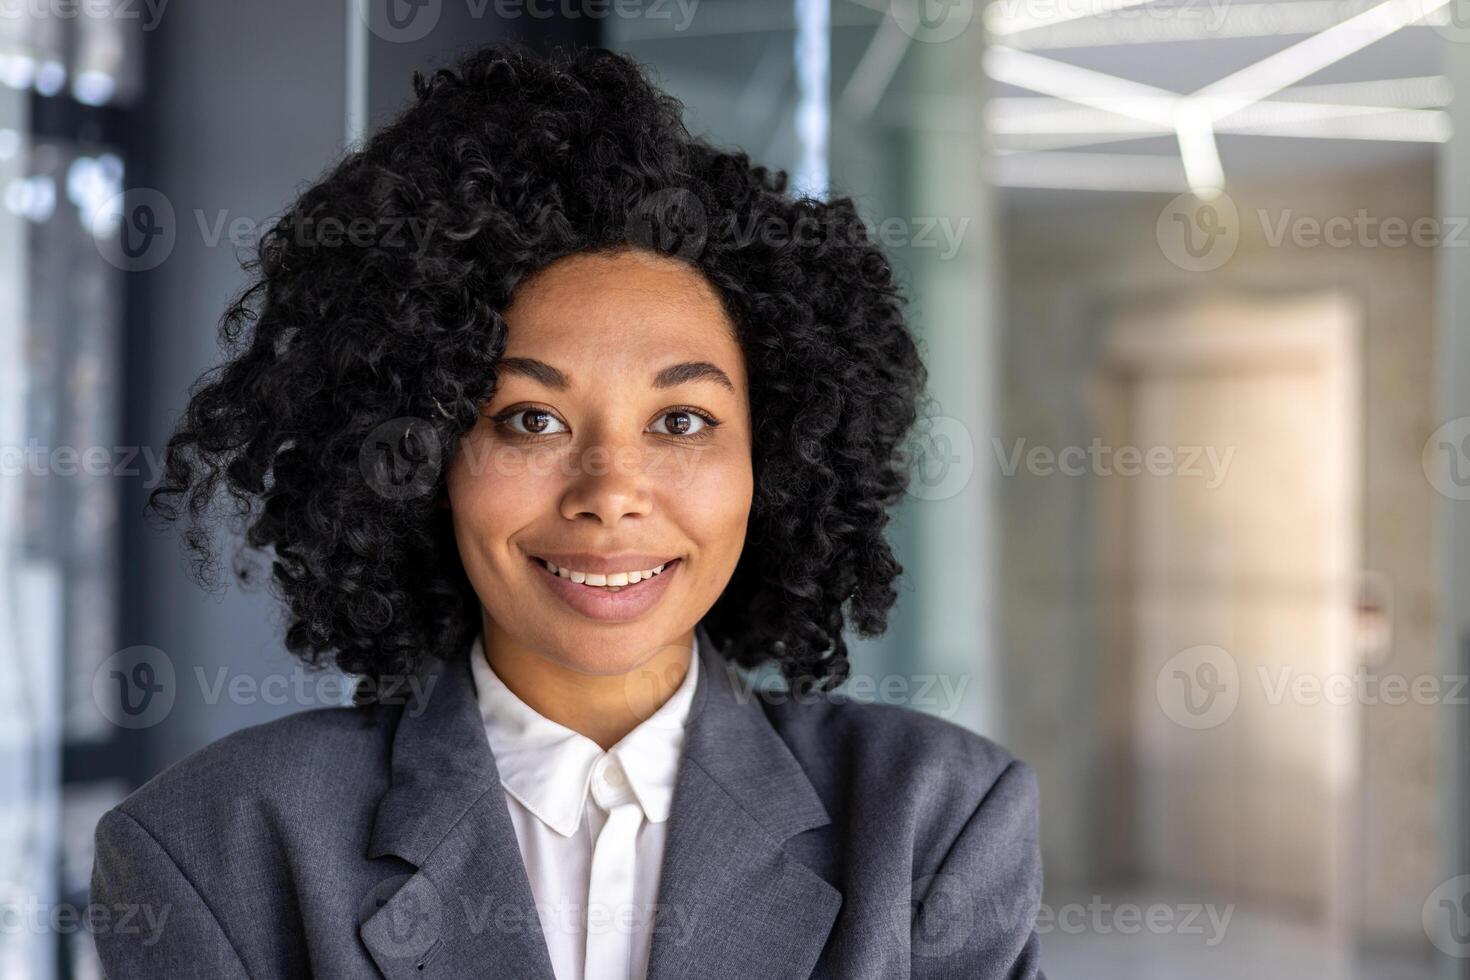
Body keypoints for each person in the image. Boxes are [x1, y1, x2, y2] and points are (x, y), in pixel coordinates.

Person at [90, 41, 1045, 980]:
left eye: (681, 419)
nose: (610, 494)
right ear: (419, 455)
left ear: (777, 459)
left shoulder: (936, 822)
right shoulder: (217, 846)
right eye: (530, 418)